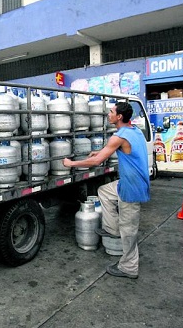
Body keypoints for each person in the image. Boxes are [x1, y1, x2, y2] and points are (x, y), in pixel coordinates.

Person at [63, 102, 149, 279]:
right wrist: (99, 152)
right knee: (104, 191)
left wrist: (72, 164)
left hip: (132, 187)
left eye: (111, 112)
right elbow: (115, 149)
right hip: (127, 182)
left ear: (119, 117)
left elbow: (96, 162)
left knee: (129, 230)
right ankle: (111, 228)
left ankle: (129, 267)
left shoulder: (118, 137)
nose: (108, 114)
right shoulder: (134, 130)